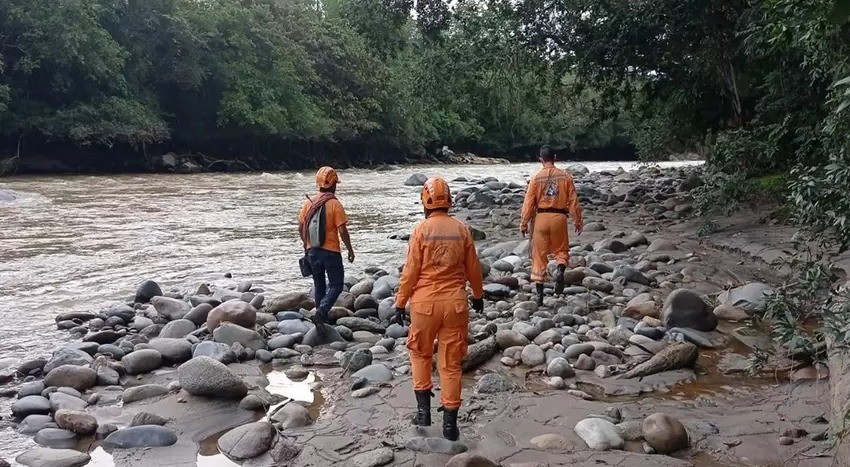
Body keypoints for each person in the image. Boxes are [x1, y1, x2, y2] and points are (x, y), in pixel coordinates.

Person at [391, 177, 484, 441]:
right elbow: (473, 267)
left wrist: (400, 302)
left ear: (425, 201)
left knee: (420, 354)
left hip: (424, 305)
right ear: (449, 200)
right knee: (451, 364)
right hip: (455, 304)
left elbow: (410, 271)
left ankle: (423, 414)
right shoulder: (461, 229)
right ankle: (450, 426)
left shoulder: (420, 230)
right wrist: (478, 295)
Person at [520, 145, 584, 307]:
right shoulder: (566, 176)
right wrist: (577, 220)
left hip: (541, 218)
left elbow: (528, 202)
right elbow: (573, 201)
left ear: (541, 159)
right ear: (555, 157)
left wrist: (524, 222)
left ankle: (540, 296)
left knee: (539, 256)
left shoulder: (536, 177)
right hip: (559, 218)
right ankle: (561, 269)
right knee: (561, 250)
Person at [298, 166, 355, 333]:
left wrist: (307, 245)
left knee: (319, 284)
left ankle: (320, 320)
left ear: (319, 184)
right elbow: (342, 231)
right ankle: (321, 312)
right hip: (331, 252)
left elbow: (301, 227)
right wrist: (350, 250)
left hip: (312, 251)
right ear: (334, 185)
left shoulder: (308, 203)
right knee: (336, 285)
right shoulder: (335, 204)